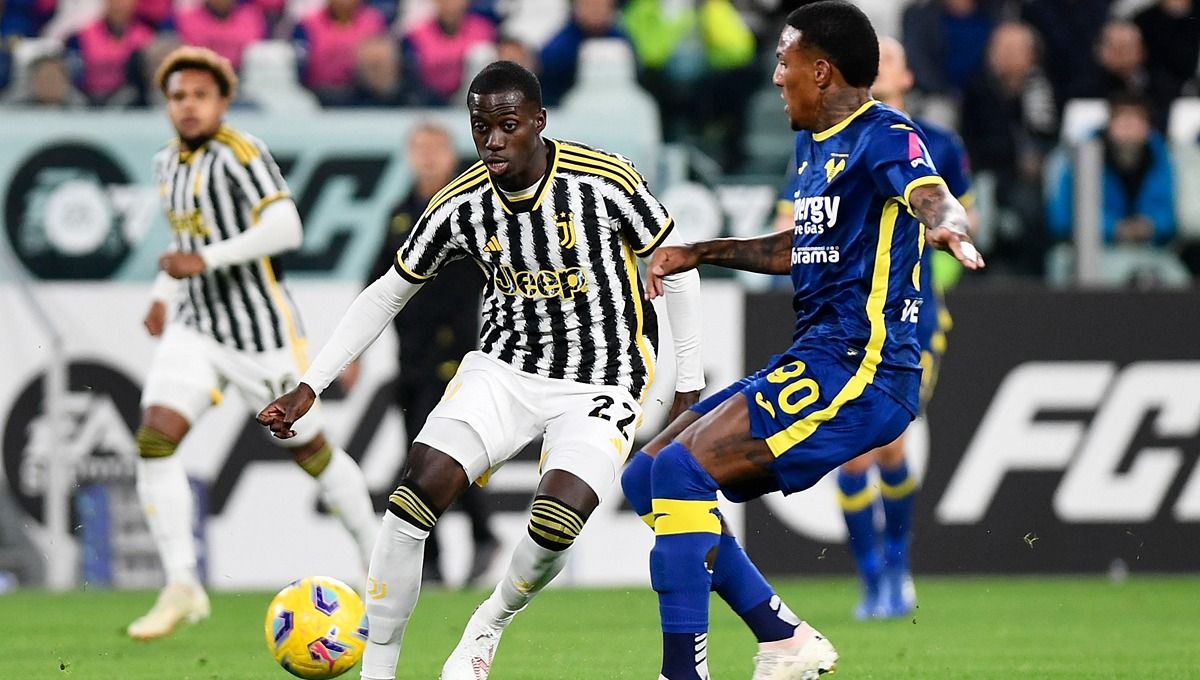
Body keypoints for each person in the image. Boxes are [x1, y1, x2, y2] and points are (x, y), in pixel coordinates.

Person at [256, 60, 704, 680]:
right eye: (480, 127)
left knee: (557, 524)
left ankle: (488, 623)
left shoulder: (604, 183)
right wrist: (312, 384)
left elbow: (676, 265)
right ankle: (377, 671)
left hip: (601, 377)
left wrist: (689, 382)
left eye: (506, 125)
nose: (492, 140)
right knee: (411, 497)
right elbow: (389, 291)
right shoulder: (459, 205)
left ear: (538, 123)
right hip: (504, 369)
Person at [622, 3, 983, 678]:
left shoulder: (886, 134)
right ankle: (784, 639)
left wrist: (947, 223)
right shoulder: (812, 142)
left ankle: (683, 673)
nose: (776, 77)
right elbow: (798, 247)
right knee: (646, 475)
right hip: (816, 355)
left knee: (678, 472)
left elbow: (930, 192)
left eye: (785, 62)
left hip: (864, 368)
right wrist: (699, 251)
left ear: (822, 71)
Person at [128, 46, 378, 641]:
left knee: (311, 454)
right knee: (155, 438)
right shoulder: (168, 163)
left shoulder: (242, 154)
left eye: (199, 95)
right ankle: (183, 584)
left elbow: (286, 225)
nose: (188, 106)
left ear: (222, 101)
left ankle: (378, 564)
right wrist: (166, 291)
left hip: (260, 334)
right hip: (196, 327)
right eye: (178, 96)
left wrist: (204, 260)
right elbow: (185, 239)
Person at [832, 35, 974, 621]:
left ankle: (896, 566)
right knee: (851, 455)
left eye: (888, 56)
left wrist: (932, 256)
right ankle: (871, 578)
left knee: (889, 442)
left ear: (907, 75)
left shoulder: (938, 144)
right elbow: (797, 220)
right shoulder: (827, 144)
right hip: (847, 317)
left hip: (913, 315)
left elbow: (964, 216)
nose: (879, 64)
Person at [341, 122, 500, 586]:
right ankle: (458, 547)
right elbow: (376, 284)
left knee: (430, 458)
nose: (428, 158)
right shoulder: (401, 213)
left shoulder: (473, 205)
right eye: (419, 149)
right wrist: (355, 352)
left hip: (456, 353)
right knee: (423, 459)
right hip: (409, 356)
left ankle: (453, 548)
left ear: (452, 155)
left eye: (436, 149)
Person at [1047, 93, 1176, 249]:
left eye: (1136, 121)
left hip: (1150, 249)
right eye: (1122, 121)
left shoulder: (1160, 158)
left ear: (1147, 128)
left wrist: (1150, 227)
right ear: (1109, 125)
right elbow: (1063, 217)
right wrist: (1114, 229)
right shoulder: (1082, 158)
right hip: (1089, 249)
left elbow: (1170, 212)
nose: (1129, 128)